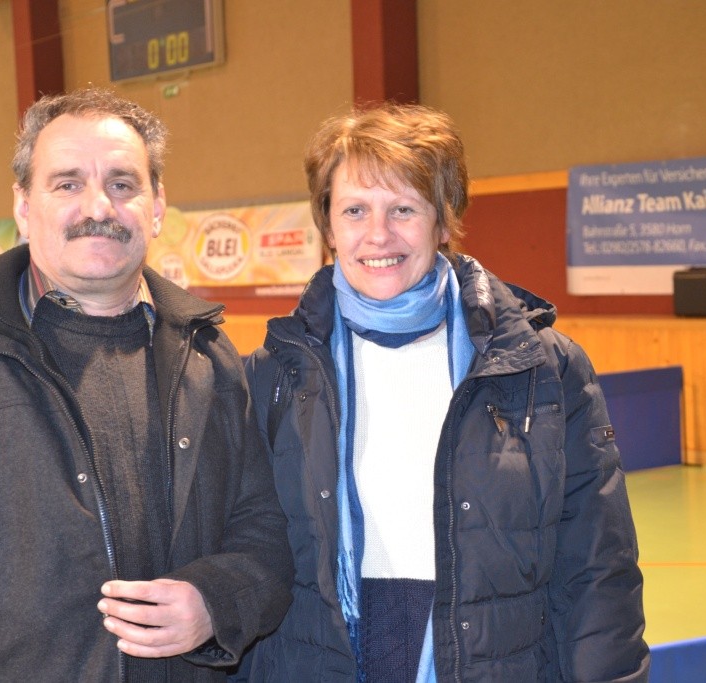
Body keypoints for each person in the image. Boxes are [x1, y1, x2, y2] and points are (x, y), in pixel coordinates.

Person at [0, 87, 294, 681]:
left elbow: (264, 530)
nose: (98, 206)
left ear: (158, 206)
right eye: (67, 184)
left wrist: (217, 602)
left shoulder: (210, 358)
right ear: (22, 206)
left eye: (123, 183)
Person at [240, 104, 649, 681]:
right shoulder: (272, 375)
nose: (378, 234)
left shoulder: (542, 368)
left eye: (404, 209)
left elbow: (598, 565)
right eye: (354, 210)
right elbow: (247, 556)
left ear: (443, 221)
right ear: (328, 228)